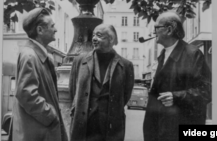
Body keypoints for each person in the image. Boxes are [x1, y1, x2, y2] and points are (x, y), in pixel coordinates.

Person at [143, 11, 212, 141]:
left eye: (157, 28)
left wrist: (176, 96)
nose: (153, 32)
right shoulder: (163, 55)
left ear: (169, 30)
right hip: (161, 131)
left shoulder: (193, 54)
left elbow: (207, 91)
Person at [69, 24, 134, 141]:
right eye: (93, 35)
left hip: (111, 125)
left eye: (99, 36)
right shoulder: (79, 60)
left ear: (111, 39)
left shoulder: (126, 65)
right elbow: (73, 90)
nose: (94, 38)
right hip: (84, 123)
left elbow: (125, 95)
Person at [10, 8, 67, 141]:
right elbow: (26, 94)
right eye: (52, 26)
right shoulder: (30, 56)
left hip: (39, 132)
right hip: (37, 134)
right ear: (40, 30)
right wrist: (50, 115)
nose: (56, 30)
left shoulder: (36, 55)